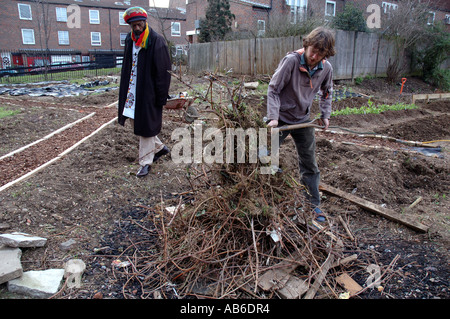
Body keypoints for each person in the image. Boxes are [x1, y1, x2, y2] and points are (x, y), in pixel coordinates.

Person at [266, 27, 335, 222]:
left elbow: (327, 92)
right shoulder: (291, 61)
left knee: (309, 163)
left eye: (320, 54)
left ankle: (313, 206)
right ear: (306, 44)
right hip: (279, 117)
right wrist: (273, 117)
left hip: (303, 119)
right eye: (312, 50)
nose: (314, 56)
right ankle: (265, 199)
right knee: (263, 158)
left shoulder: (326, 68)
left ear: (325, 55)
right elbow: (273, 90)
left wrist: (325, 115)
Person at [118, 7, 172, 177]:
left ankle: (145, 163)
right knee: (136, 123)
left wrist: (161, 97)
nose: (136, 27)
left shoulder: (156, 41)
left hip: (148, 93)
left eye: (139, 23)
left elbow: (164, 73)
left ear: (145, 22)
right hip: (132, 91)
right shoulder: (130, 39)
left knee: (146, 127)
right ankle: (160, 148)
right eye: (133, 24)